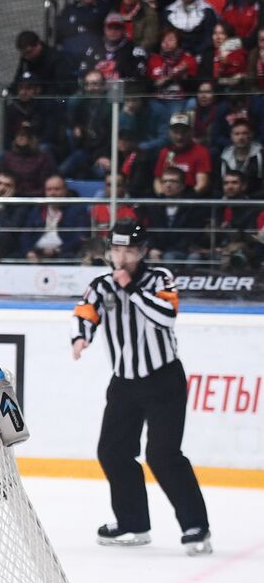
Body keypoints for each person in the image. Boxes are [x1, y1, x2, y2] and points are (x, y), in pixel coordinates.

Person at [71, 219, 211, 555]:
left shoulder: (160, 279)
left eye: (129, 250)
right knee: (113, 452)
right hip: (124, 383)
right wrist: (81, 337)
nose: (121, 257)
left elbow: (166, 315)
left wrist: (131, 289)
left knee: (163, 454)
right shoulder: (101, 285)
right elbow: (85, 311)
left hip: (164, 379)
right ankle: (133, 523)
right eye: (116, 249)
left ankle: (196, 526)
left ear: (142, 252)